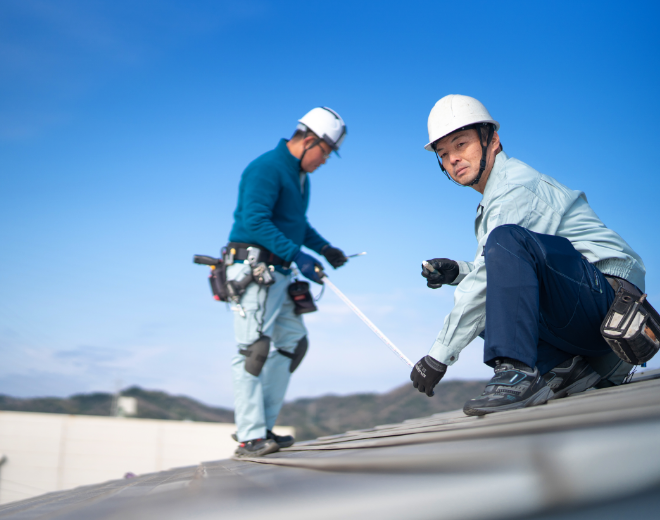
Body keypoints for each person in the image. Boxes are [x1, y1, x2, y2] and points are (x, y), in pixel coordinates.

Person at [410, 94, 647, 415]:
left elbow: (496, 269)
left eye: (461, 144)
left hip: (612, 311)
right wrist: (458, 272)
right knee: (490, 284)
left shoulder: (515, 188)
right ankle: (563, 372)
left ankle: (515, 373)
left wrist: (438, 355)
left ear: (492, 140)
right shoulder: (496, 198)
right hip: (584, 318)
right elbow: (503, 272)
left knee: (498, 258)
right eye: (443, 153)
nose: (453, 159)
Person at [225, 107, 349, 457]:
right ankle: (249, 437)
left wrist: (324, 248)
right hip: (254, 270)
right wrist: (298, 255)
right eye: (325, 152)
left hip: (279, 274)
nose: (325, 161)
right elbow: (256, 221)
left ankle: (261, 427)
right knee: (253, 349)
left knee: (293, 342)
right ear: (309, 141)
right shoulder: (267, 168)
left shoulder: (299, 177)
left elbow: (296, 223)